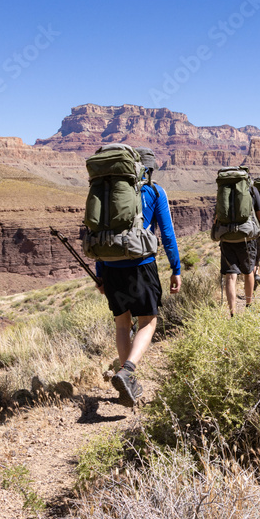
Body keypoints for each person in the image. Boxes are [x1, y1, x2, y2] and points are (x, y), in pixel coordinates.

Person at [94, 147, 181, 407]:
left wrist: (100, 274)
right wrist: (176, 269)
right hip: (141, 264)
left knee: (122, 324)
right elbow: (166, 234)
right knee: (148, 322)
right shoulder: (154, 191)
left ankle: (125, 384)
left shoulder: (106, 190)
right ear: (148, 169)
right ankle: (128, 372)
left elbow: (97, 231)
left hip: (110, 266)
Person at [219, 187, 260, 316]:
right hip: (246, 238)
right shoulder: (252, 189)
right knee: (249, 271)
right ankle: (249, 305)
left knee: (230, 276)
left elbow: (217, 216)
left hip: (227, 238)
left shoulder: (224, 188)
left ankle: (232, 313)